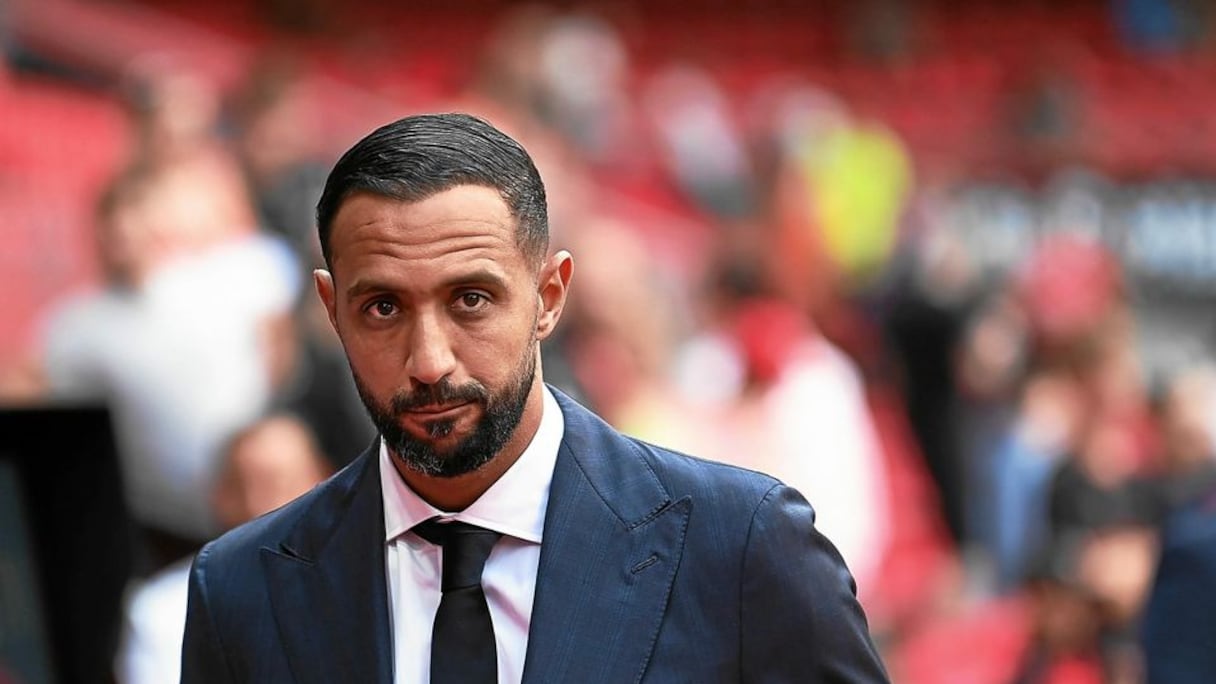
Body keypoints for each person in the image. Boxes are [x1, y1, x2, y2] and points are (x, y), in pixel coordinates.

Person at [181, 113, 888, 682]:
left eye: (471, 299)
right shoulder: (241, 587)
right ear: (332, 311)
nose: (429, 362)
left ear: (549, 297)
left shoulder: (742, 546)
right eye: (383, 309)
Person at [116, 413, 332, 683]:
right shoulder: (159, 612)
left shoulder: (361, 581)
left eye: (277, 485)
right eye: (240, 487)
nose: (257, 504)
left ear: (326, 481)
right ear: (217, 495)